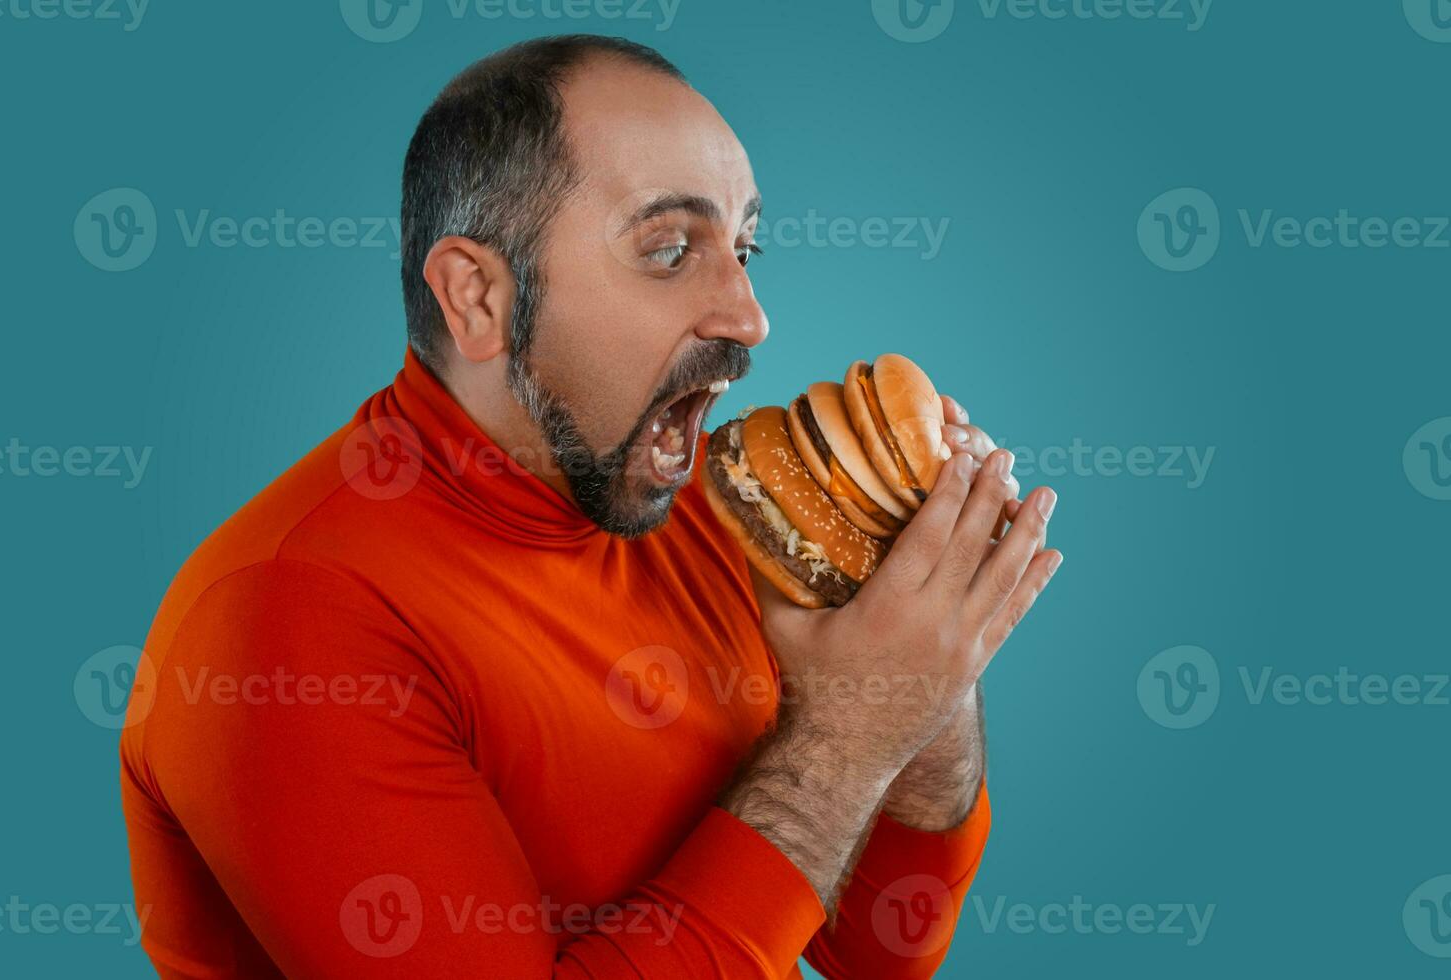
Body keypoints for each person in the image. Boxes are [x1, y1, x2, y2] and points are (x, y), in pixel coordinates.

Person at [120, 34, 1063, 978]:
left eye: (743, 247)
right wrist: (846, 737)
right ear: (478, 296)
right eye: (669, 251)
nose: (750, 315)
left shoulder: (694, 507)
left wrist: (928, 647)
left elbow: (880, 945)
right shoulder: (287, 619)